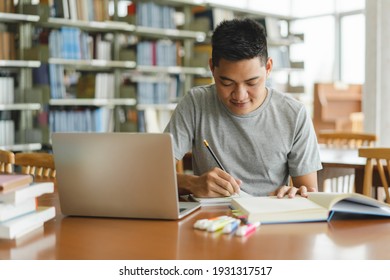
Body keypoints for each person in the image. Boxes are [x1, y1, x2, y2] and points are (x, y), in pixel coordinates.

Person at [164, 18, 322, 198]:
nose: (240, 95)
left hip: (270, 220)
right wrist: (192, 183)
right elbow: (152, 174)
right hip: (210, 221)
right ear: (212, 69)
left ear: (268, 67)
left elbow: (309, 193)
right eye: (227, 82)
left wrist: (297, 193)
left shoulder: (294, 114)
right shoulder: (196, 103)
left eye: (251, 82)